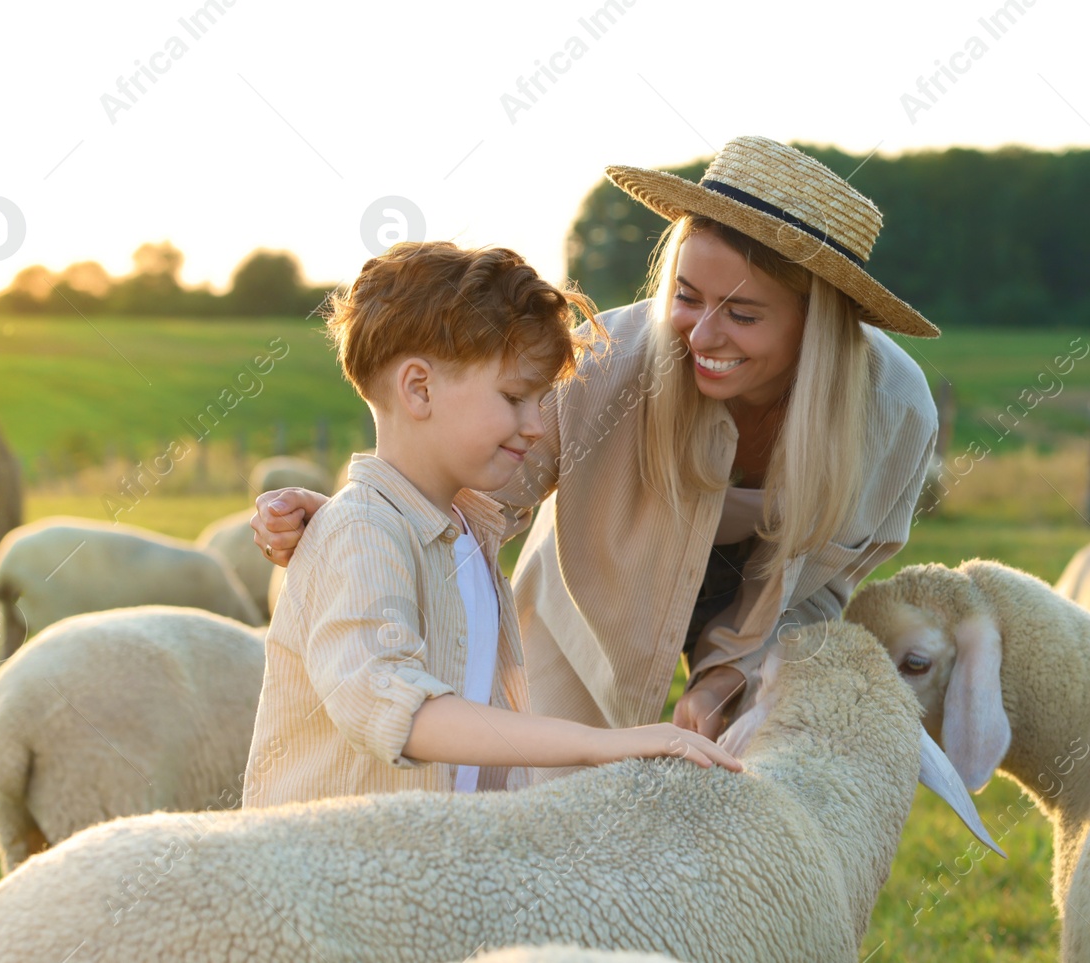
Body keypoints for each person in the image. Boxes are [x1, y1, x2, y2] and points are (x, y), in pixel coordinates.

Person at [253, 136, 942, 786]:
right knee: (555, 800)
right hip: (596, 597)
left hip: (776, 607)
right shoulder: (609, 362)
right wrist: (362, 520)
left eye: (745, 316)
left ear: (818, 324)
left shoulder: (894, 413)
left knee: (749, 801)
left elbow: (822, 574)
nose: (703, 334)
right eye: (687, 296)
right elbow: (483, 484)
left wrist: (724, 676)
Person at [241, 241, 742, 808]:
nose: (535, 425)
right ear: (418, 388)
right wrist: (597, 745)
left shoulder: (470, 531)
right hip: (331, 879)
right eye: (514, 397)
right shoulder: (360, 532)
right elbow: (391, 709)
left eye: (540, 400)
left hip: (437, 866)